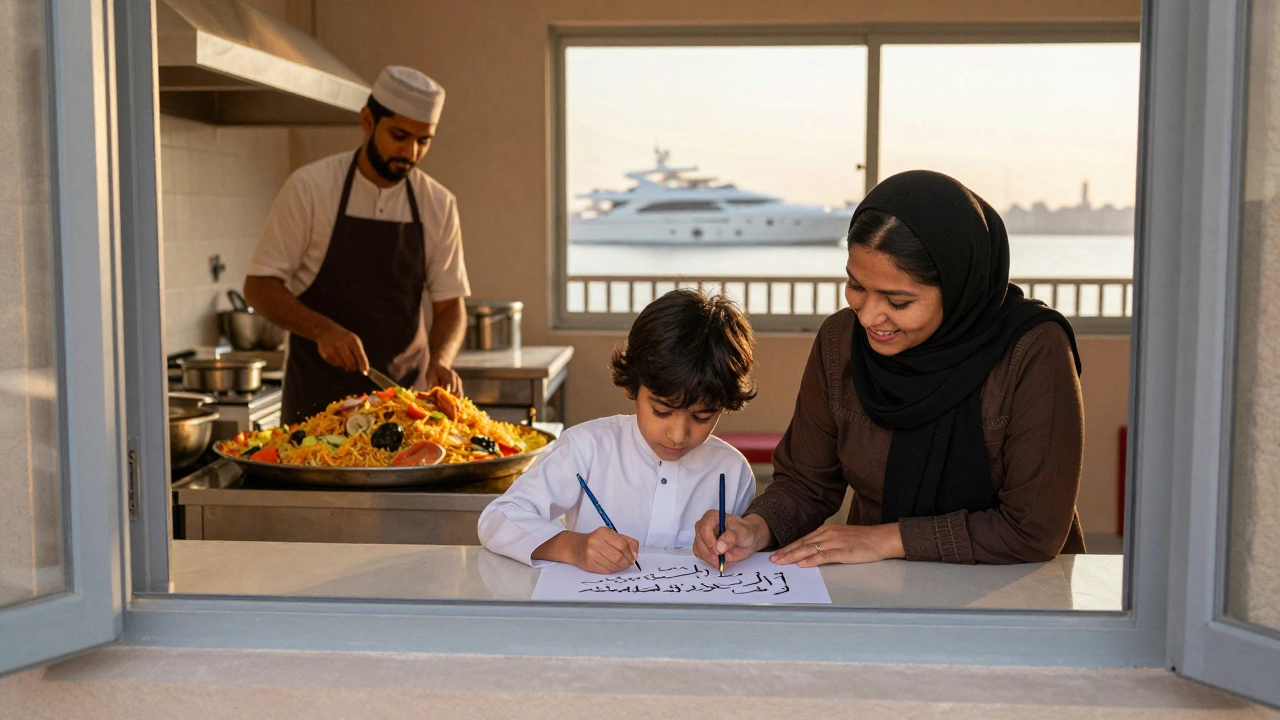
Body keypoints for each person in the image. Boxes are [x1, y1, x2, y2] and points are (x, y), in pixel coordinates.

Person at [695, 170, 1085, 568]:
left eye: (898, 302)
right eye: (856, 286)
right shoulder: (840, 341)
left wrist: (886, 539)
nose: (868, 317)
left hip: (1017, 591)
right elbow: (806, 484)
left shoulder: (1034, 350)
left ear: (957, 289)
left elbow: (1033, 530)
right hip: (879, 586)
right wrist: (755, 527)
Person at [244, 66, 470, 424]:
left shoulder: (438, 204)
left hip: (404, 410)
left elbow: (450, 307)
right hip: (316, 409)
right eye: (399, 135)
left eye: (423, 141)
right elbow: (259, 287)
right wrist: (322, 330)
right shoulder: (311, 189)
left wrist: (441, 359)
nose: (410, 152)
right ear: (367, 121)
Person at [479, 289, 758, 573]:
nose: (678, 435)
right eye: (661, 411)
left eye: (702, 417)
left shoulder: (733, 471)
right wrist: (572, 547)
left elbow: (744, 556)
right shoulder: (587, 449)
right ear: (631, 387)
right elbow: (498, 518)